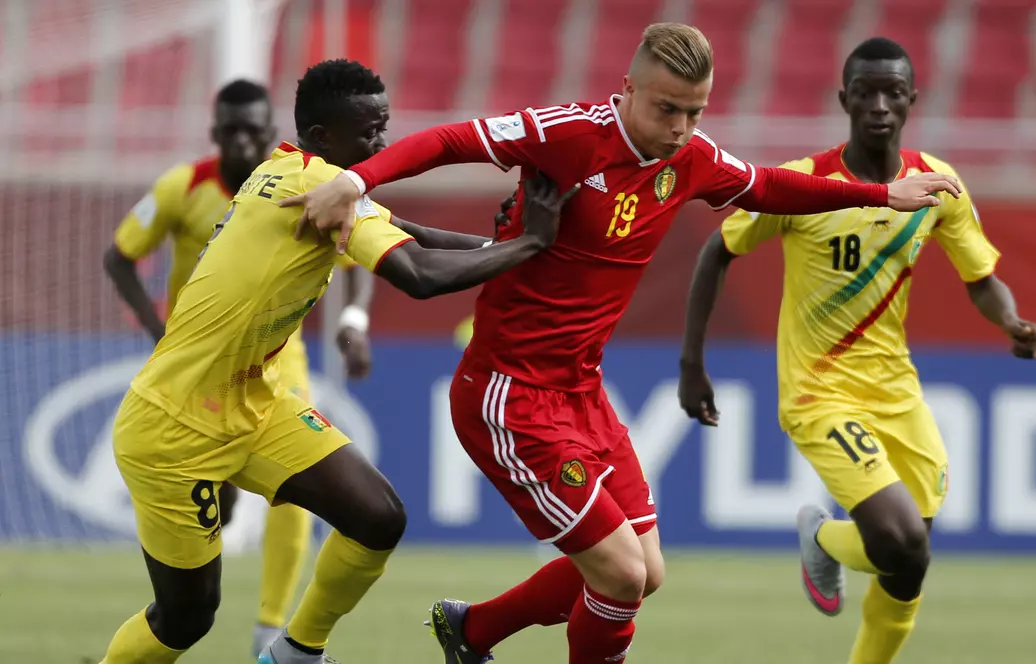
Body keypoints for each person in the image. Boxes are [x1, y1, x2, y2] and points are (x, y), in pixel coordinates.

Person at [284, 24, 964, 664]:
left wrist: (878, 193)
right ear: (629, 90)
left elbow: (768, 186)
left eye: (695, 112)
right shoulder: (569, 134)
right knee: (618, 575)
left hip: (582, 394)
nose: (682, 129)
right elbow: (450, 141)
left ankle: (472, 629)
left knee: (646, 574)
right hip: (510, 396)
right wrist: (353, 180)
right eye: (668, 109)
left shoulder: (691, 159)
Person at [96, 58, 575, 664]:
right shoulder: (313, 186)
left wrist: (517, 251)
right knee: (186, 617)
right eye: (369, 131)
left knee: (377, 517)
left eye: (385, 126)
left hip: (255, 404)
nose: (382, 144)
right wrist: (531, 243)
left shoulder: (294, 171)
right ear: (324, 137)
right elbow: (420, 276)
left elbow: (410, 232)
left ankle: (295, 652)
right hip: (172, 426)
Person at [677, 37, 1036, 664]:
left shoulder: (938, 187)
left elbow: (980, 278)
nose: (879, 105)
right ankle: (821, 536)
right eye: (866, 92)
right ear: (843, 97)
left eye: (892, 93)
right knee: (901, 544)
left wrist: (1010, 320)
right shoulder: (801, 184)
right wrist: (692, 364)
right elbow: (718, 251)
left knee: (907, 568)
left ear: (911, 101)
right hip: (818, 392)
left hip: (897, 393)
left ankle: (839, 577)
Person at [102, 77, 376, 657]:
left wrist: (352, 318)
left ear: (273, 134)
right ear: (215, 133)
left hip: (277, 357)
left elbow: (358, 239)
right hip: (194, 370)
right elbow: (120, 256)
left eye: (254, 129)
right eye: (232, 130)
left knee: (310, 488)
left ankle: (272, 630)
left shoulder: (308, 182)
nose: (244, 140)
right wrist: (160, 333)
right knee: (204, 557)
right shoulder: (188, 187)